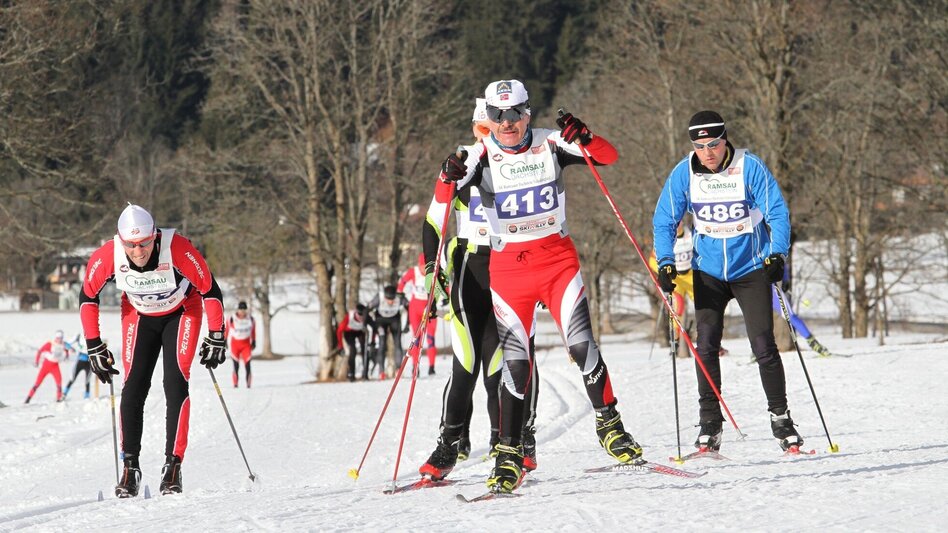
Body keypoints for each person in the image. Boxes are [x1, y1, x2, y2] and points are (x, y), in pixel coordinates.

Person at [440, 79, 642, 493]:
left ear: (527, 112)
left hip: (557, 263)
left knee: (582, 343)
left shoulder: (552, 144)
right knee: (516, 363)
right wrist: (449, 174)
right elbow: (445, 199)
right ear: (488, 119)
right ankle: (510, 452)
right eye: (497, 116)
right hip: (510, 272)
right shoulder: (480, 156)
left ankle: (610, 424)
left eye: (514, 114)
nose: (507, 123)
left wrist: (586, 136)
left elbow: (609, 156)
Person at [652, 110, 804, 453]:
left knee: (763, 344)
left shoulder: (748, 166)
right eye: (700, 145)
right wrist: (665, 261)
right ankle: (710, 423)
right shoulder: (684, 173)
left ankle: (781, 419)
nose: (708, 152)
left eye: (715, 144)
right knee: (705, 345)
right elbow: (664, 220)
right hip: (708, 272)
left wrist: (777, 254)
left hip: (749, 268)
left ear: (725, 140)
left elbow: (777, 212)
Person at [418, 99, 541, 482]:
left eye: (494, 127)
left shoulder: (523, 162)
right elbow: (433, 220)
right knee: (465, 363)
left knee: (504, 367)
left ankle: (513, 440)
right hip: (473, 270)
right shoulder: (463, 165)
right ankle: (449, 444)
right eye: (482, 127)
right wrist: (430, 267)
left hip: (514, 266)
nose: (488, 134)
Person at [80, 204, 226, 497]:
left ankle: (173, 467)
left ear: (155, 236)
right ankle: (130, 467)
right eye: (131, 245)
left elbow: (210, 290)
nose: (138, 251)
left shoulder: (178, 248)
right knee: (133, 388)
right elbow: (87, 297)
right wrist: (94, 344)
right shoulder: (108, 254)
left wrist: (217, 334)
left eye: (144, 243)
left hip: (182, 311)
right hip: (139, 315)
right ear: (121, 240)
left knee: (174, 384)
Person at [772, 267, 834, 357]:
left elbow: (781, 258)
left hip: (771, 289)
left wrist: (785, 279)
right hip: (754, 289)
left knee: (790, 316)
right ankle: (756, 351)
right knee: (757, 320)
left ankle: (814, 344)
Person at [398, 253, 440, 375]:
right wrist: (400, 294)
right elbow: (402, 282)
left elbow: (445, 288)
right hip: (415, 308)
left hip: (429, 309)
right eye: (422, 266)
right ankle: (415, 367)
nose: (423, 269)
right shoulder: (413, 272)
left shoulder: (434, 273)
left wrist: (443, 299)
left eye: (425, 266)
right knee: (416, 339)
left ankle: (432, 367)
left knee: (431, 339)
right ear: (418, 264)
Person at [366, 285, 408, 380]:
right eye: (388, 299)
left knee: (397, 344)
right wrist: (371, 325)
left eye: (392, 299)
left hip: (394, 320)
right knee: (382, 344)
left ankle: (398, 369)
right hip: (381, 321)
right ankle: (381, 371)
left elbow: (409, 307)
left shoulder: (400, 297)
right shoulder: (379, 298)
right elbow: (366, 310)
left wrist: (407, 325)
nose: (391, 302)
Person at [25, 330, 73, 403]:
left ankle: (58, 398)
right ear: (55, 337)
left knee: (59, 382)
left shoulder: (64, 344)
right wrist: (37, 362)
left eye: (61, 338)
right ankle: (28, 398)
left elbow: (67, 351)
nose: (59, 340)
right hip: (46, 366)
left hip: (55, 366)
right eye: (58, 338)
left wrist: (67, 357)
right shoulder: (50, 344)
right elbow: (40, 351)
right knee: (38, 383)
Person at [336, 303, 373, 381]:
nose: (361, 318)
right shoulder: (349, 316)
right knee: (353, 351)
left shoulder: (366, 317)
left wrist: (372, 341)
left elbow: (374, 327)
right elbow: (339, 330)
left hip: (360, 332)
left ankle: (365, 374)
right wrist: (340, 345)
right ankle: (351, 374)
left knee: (365, 350)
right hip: (349, 333)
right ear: (356, 313)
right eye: (360, 315)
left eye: (363, 316)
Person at [226, 301, 256, 388]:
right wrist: (224, 340)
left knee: (248, 365)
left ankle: (248, 386)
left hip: (246, 345)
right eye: (240, 310)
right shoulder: (232, 318)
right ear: (238, 310)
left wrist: (254, 341)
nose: (242, 312)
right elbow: (227, 329)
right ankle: (235, 385)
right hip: (235, 344)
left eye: (244, 310)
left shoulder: (251, 319)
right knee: (236, 366)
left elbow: (253, 331)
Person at [63, 335, 93, 400]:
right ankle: (64, 394)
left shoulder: (92, 334)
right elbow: (66, 343)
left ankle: (87, 396)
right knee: (72, 378)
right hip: (80, 361)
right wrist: (71, 348)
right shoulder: (79, 336)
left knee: (87, 380)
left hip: (89, 362)